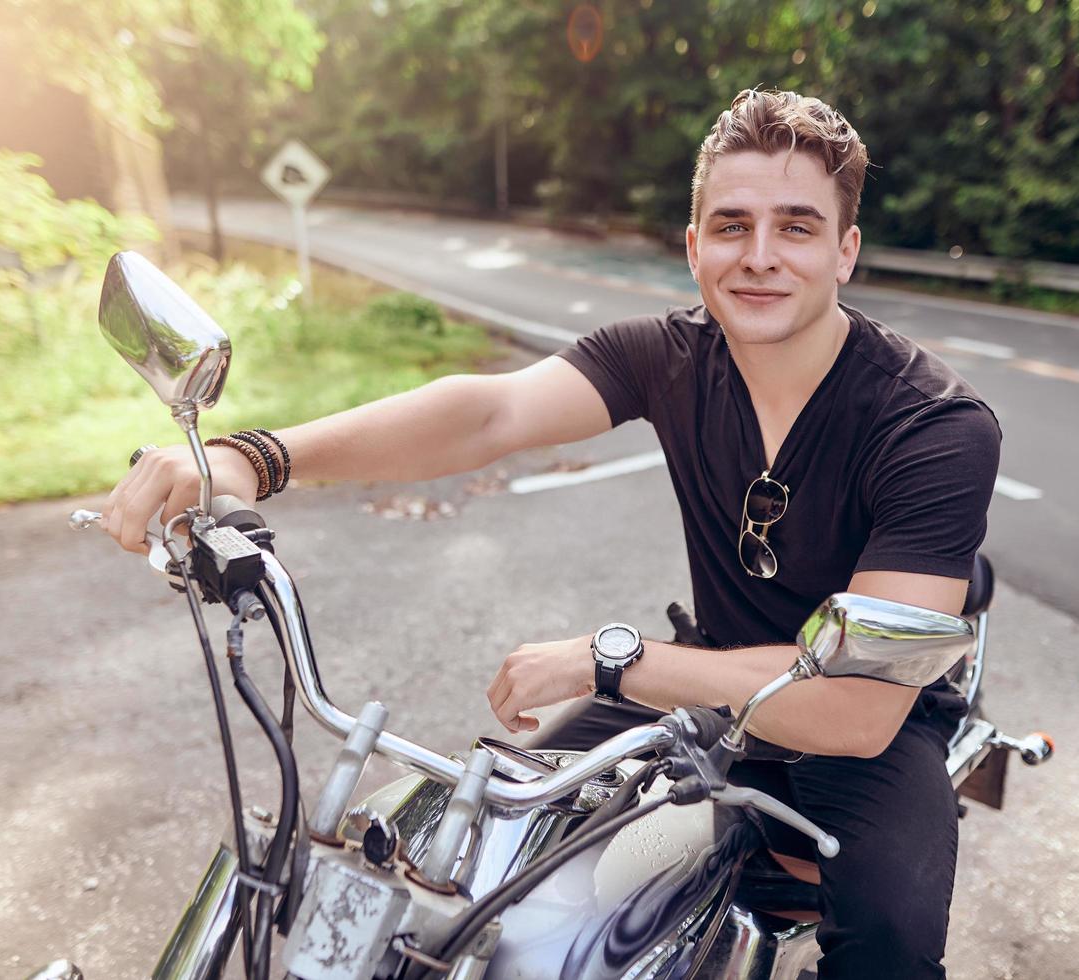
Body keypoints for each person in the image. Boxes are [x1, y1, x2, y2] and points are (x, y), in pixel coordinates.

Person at [102, 88, 1000, 978]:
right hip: (705, 692)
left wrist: (612, 660)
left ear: (846, 251)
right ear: (694, 248)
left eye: (796, 227)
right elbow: (487, 413)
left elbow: (854, 704)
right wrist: (255, 459)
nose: (759, 256)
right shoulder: (669, 356)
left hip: (870, 734)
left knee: (888, 944)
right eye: (731, 226)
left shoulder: (934, 426)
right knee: (477, 846)